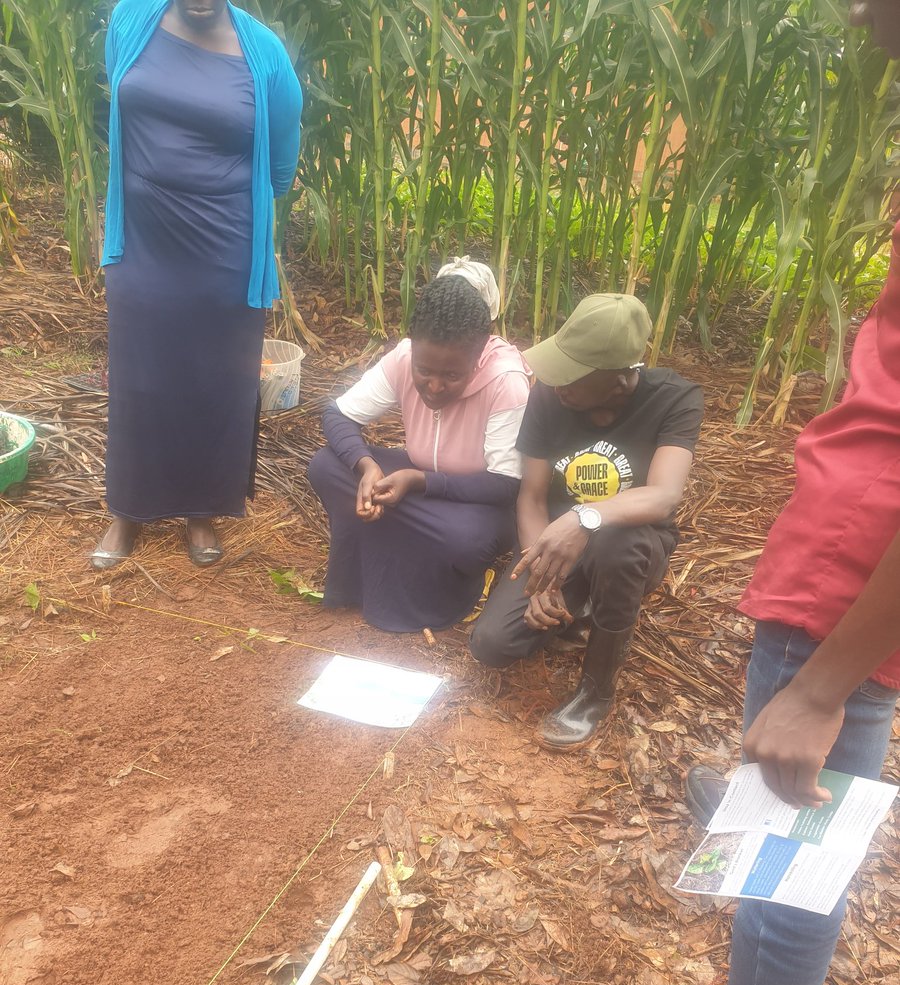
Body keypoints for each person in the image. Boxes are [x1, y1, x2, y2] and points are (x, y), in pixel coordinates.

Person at [589, 0, 900, 985]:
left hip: (853, 599)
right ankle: (775, 792)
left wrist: (822, 690)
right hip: (850, 567)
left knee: (798, 835)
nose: (861, 12)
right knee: (789, 796)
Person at [92, 0, 303, 570]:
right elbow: (123, 102)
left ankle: (202, 511)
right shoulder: (130, 19)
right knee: (140, 372)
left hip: (223, 244)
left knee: (215, 376)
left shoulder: (265, 54)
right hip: (142, 237)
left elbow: (281, 166)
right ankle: (127, 510)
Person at [469, 294, 704, 750]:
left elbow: (663, 495)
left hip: (630, 540)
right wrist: (541, 582)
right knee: (492, 645)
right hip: (554, 544)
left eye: (574, 374)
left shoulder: (675, 399)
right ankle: (576, 605)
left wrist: (585, 516)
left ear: (618, 381)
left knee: (620, 547)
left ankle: (596, 689)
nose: (558, 383)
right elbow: (533, 497)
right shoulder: (550, 397)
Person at [307, 266, 530, 632]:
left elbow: (506, 483)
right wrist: (367, 468)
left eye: (453, 376)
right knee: (326, 465)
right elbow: (337, 415)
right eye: (424, 371)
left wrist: (417, 481)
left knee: (466, 541)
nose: (435, 386)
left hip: (479, 501)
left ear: (478, 358)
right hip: (424, 489)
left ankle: (423, 559)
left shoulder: (506, 382)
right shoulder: (405, 356)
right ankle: (377, 560)